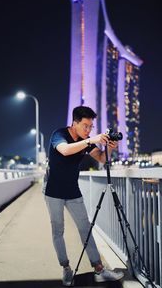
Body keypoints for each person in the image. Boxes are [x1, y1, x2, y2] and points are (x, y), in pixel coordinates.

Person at [44, 106, 124, 286]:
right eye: (85, 126)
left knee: (85, 228)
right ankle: (66, 268)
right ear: (75, 123)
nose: (88, 130)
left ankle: (99, 269)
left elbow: (102, 159)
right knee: (58, 231)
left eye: (91, 127)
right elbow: (64, 150)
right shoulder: (60, 134)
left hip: (73, 190)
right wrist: (90, 140)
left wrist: (110, 148)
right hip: (53, 191)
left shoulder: (86, 140)